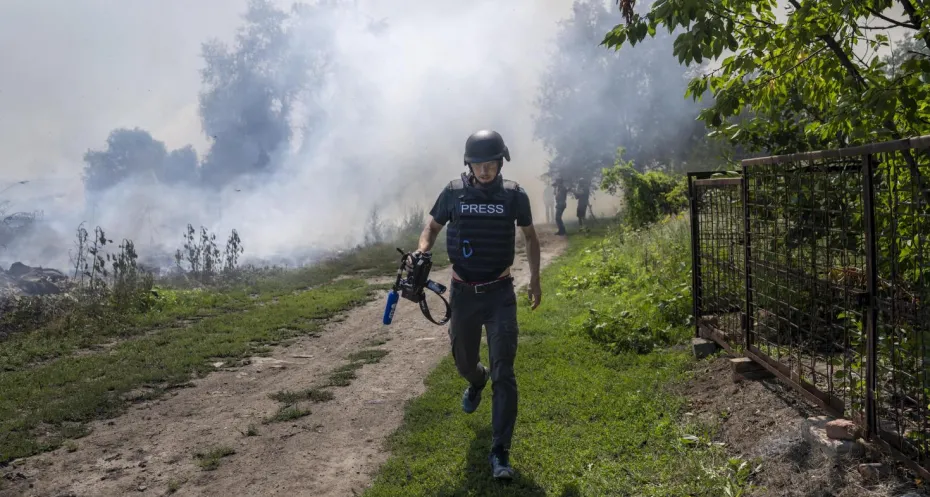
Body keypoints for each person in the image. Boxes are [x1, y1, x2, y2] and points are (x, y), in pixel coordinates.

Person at [415, 129, 542, 480]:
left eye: (490, 164)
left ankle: (500, 453)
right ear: (468, 164)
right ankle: (476, 379)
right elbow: (432, 227)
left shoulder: (515, 195)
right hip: (463, 293)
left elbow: (531, 237)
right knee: (464, 362)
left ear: (501, 163)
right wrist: (422, 250)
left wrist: (534, 278)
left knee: (506, 372)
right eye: (478, 164)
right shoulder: (453, 193)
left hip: (501, 293)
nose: (485, 170)